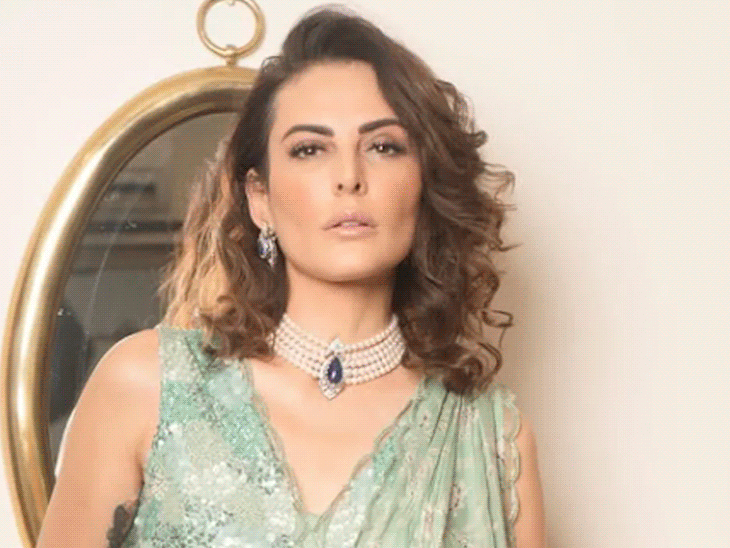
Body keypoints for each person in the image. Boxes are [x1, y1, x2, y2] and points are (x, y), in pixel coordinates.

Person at [36, 6, 546, 548]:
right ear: (260, 199)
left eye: (383, 147)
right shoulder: (146, 386)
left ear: (424, 187)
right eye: (310, 149)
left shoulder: (492, 439)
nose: (349, 177)